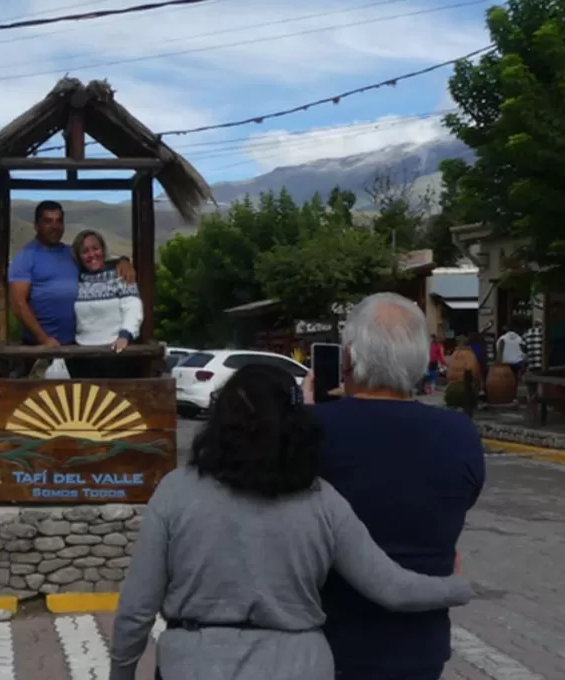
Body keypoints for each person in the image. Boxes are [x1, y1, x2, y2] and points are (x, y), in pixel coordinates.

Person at [110, 363, 474, 680]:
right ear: (297, 425)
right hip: (301, 664)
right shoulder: (322, 502)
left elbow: (136, 609)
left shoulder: (177, 491)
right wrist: (457, 586)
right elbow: (391, 588)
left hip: (194, 664)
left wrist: (121, 673)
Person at [304, 293, 485, 680]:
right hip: (419, 646)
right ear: (422, 360)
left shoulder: (310, 431)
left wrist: (303, 416)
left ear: (348, 358)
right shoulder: (460, 434)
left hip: (326, 643)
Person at [7, 201, 134, 349]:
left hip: (75, 343)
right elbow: (18, 304)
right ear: (36, 226)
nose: (54, 226)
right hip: (39, 346)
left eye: (59, 221)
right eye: (48, 221)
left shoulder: (71, 253)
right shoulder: (25, 257)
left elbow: (97, 263)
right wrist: (44, 339)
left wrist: (123, 261)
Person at [70, 229, 142, 378]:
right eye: (85, 251)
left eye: (95, 248)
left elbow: (133, 308)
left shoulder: (121, 275)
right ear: (79, 256)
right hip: (82, 355)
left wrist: (125, 335)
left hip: (116, 354)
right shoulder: (75, 280)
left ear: (103, 250)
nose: (91, 255)